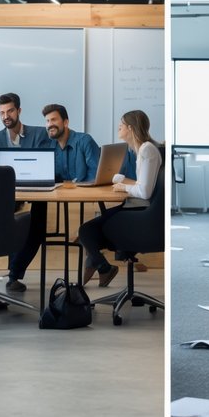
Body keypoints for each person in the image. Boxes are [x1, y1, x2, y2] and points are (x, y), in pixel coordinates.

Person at [77, 110, 161, 288]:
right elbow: (143, 184)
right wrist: (122, 180)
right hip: (137, 208)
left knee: (86, 231)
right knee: (90, 232)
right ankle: (99, 267)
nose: (118, 128)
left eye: (121, 125)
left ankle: (103, 268)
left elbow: (145, 192)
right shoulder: (144, 149)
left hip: (141, 212)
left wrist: (123, 186)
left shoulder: (147, 150)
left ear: (130, 128)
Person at [0, 92, 53, 293]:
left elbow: (45, 167)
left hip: (36, 192)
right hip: (7, 194)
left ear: (18, 111)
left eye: (10, 110)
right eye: (2, 112)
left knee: (36, 225)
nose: (6, 116)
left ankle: (14, 274)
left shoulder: (39, 134)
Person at [43, 103, 100, 183]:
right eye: (47, 121)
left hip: (85, 193)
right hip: (59, 193)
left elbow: (95, 175)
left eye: (54, 120)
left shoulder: (85, 141)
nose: (49, 124)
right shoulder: (50, 147)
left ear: (65, 122)